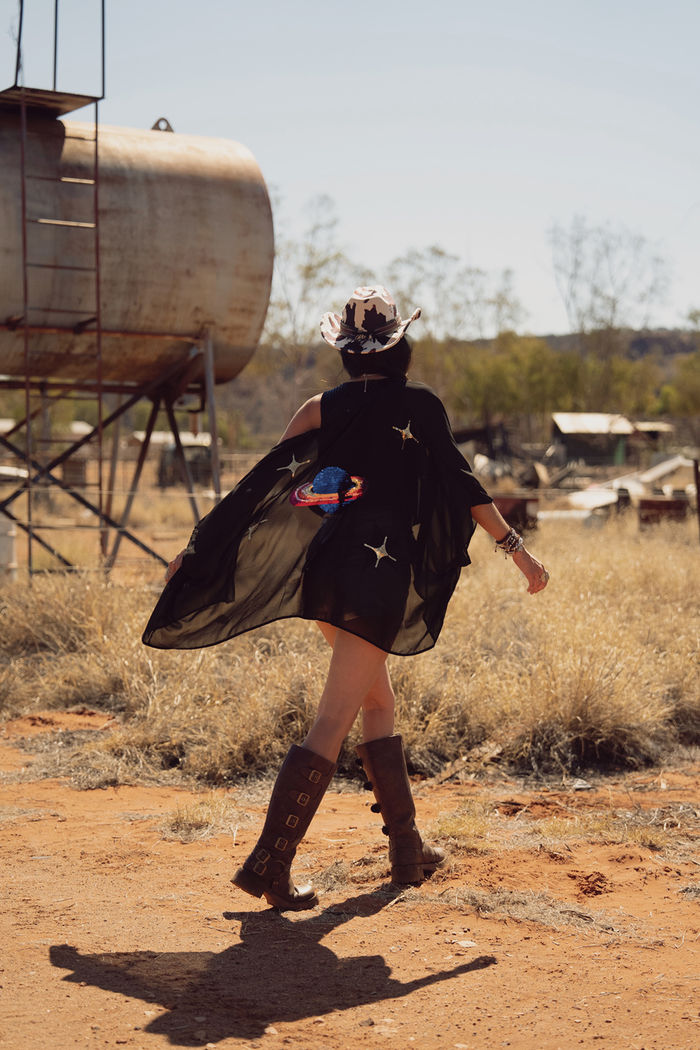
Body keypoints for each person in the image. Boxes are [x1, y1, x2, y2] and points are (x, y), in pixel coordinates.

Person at [143, 286, 549, 911]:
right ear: (399, 344)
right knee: (334, 718)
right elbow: (463, 483)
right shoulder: (421, 405)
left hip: (330, 574)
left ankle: (407, 852)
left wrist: (203, 548)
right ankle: (269, 867)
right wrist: (517, 550)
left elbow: (275, 491)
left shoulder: (319, 409)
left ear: (346, 352)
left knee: (376, 702)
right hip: (378, 580)